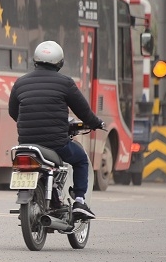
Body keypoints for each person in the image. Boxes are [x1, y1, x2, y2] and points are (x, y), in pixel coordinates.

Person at [8, 40, 104, 220]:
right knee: (81, 159)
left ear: (35, 60)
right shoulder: (65, 83)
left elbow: (14, 112)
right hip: (56, 144)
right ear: (60, 62)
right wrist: (96, 123)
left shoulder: (20, 83)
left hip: (27, 143)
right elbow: (83, 111)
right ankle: (79, 201)